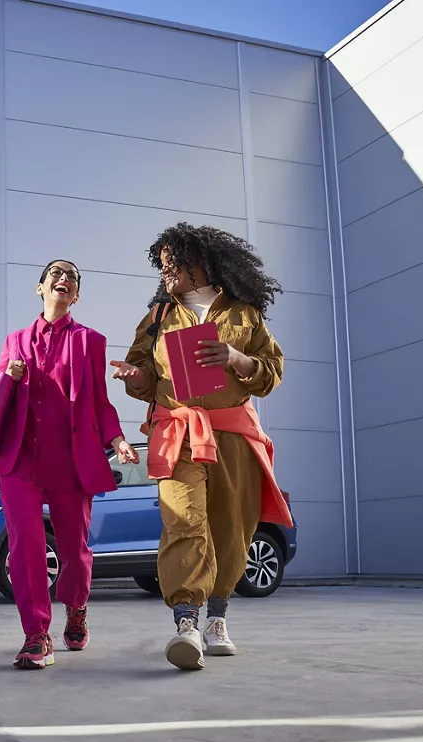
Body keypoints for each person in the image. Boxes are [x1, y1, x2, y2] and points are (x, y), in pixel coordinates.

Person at [110, 223, 293, 671]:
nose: (167, 271)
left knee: (232, 527)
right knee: (184, 519)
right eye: (163, 264)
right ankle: (186, 621)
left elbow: (271, 372)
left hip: (232, 432)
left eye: (175, 263)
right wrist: (137, 379)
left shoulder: (245, 314)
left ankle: (217, 618)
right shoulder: (157, 317)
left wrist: (235, 359)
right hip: (178, 434)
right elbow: (142, 371)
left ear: (202, 265)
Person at [0, 260, 138, 670]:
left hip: (70, 459)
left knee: (74, 549)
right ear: (40, 288)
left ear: (76, 295)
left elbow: (99, 402)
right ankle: (37, 634)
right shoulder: (15, 340)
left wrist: (117, 438)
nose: (63, 279)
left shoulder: (90, 341)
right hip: (20, 457)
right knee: (26, 547)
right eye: (55, 273)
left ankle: (76, 607)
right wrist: (9, 373)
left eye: (72, 277)